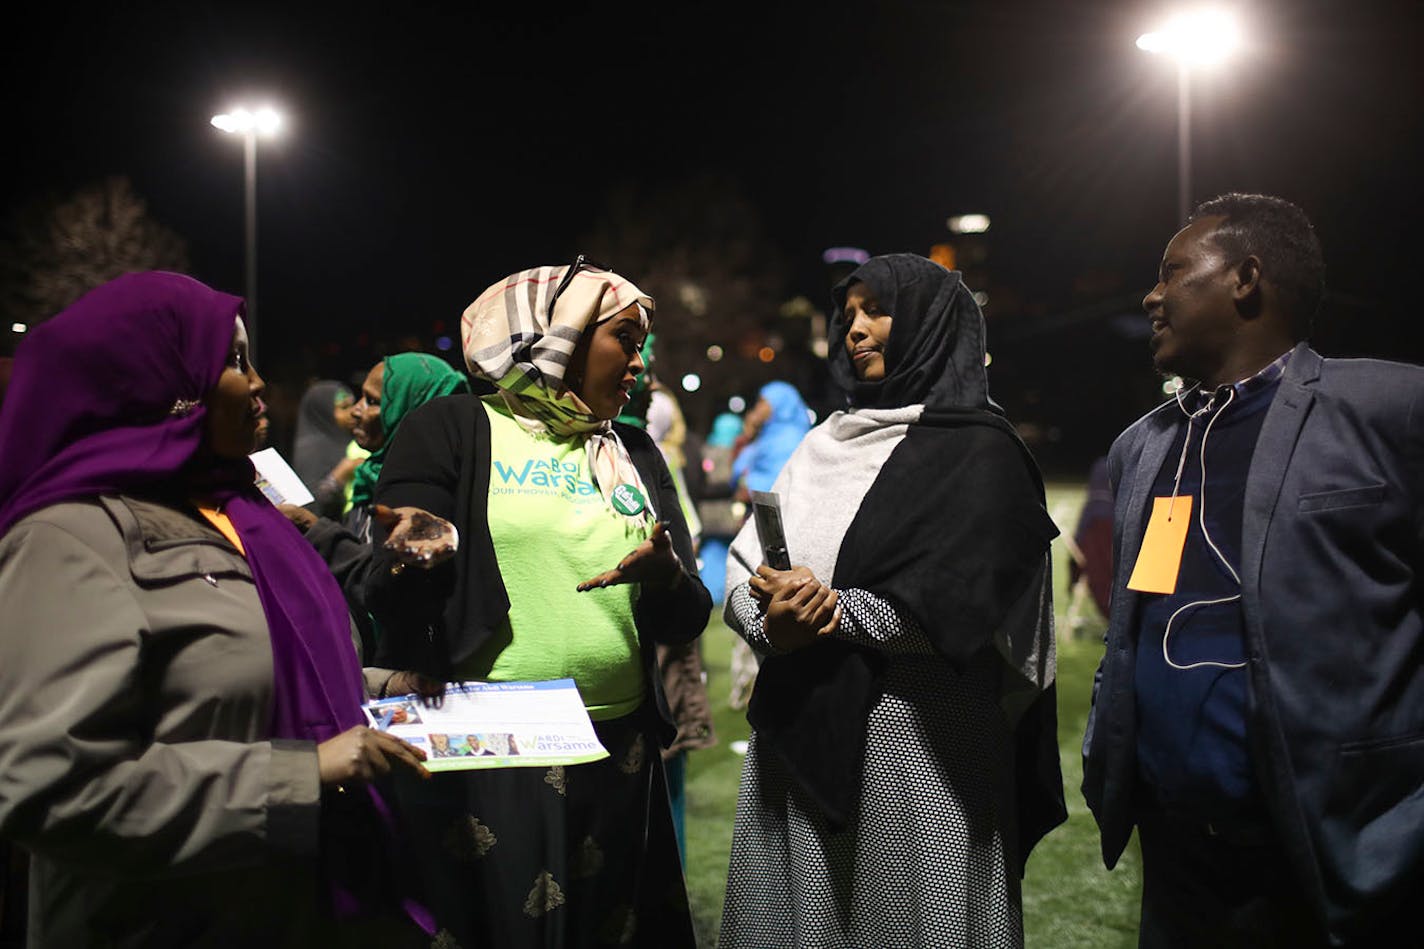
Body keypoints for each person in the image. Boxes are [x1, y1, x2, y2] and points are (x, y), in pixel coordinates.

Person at [0, 272, 434, 948]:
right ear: (153, 382)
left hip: (289, 908)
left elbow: (281, 665)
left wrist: (391, 688)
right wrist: (300, 774)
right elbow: (48, 785)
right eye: (232, 360)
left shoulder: (245, 515)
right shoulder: (70, 538)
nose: (258, 381)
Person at [1082, 193, 1424, 947]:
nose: (1152, 295)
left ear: (1245, 278)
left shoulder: (1388, 407)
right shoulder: (1142, 445)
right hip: (1177, 856)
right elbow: (1134, 619)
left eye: (1173, 271)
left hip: (1336, 851)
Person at [719, 254, 1064, 947]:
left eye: (876, 309)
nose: (855, 328)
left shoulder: (982, 453)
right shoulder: (821, 443)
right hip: (798, 729)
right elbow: (747, 557)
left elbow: (977, 597)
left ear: (932, 323)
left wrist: (838, 612)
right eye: (847, 314)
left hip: (922, 743)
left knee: (909, 921)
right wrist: (767, 620)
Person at [364, 260, 710, 947]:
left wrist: (669, 578)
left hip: (620, 743)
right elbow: (389, 598)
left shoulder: (633, 450)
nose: (638, 362)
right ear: (562, 336)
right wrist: (415, 559)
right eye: (625, 339)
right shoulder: (453, 428)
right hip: (493, 744)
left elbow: (689, 614)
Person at [282, 353, 469, 661]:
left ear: (410, 409)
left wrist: (315, 530)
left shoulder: (427, 495)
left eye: (372, 401)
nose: (356, 411)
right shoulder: (371, 475)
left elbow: (387, 587)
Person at [292, 379, 359, 517]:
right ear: (324, 412)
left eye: (352, 405)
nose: (352, 412)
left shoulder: (352, 441)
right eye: (344, 407)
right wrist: (339, 475)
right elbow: (309, 508)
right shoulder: (310, 451)